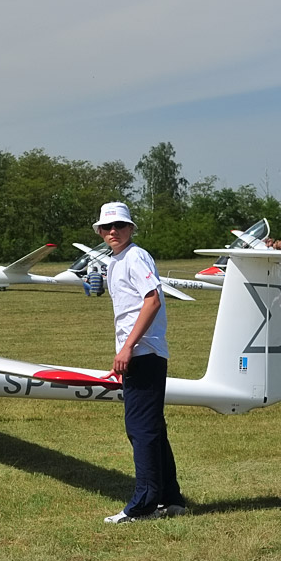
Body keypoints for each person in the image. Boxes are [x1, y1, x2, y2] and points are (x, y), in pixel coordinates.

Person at [93, 202, 185, 523]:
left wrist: (128, 347)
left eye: (119, 225)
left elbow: (153, 299)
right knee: (153, 428)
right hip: (137, 353)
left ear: (131, 228)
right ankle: (170, 498)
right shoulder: (114, 262)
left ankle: (143, 504)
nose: (112, 232)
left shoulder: (135, 256)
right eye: (106, 227)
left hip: (144, 353)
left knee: (140, 429)